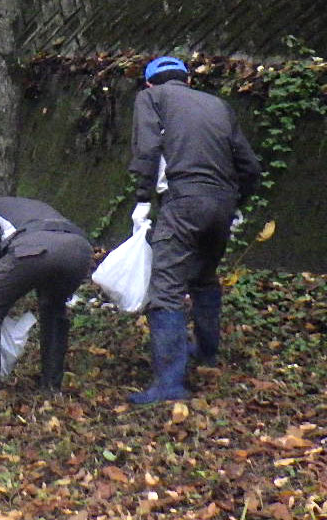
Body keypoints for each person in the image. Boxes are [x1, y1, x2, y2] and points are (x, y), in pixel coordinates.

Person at [126, 56, 261, 405]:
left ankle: (169, 386)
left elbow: (148, 149)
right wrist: (236, 204)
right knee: (203, 278)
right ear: (188, 81)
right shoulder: (218, 105)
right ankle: (206, 352)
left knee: (166, 290)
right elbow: (249, 165)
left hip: (184, 202)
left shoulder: (151, 98)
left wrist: (142, 199)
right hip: (222, 204)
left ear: (149, 83)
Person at [0, 196, 92, 414]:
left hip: (33, 247)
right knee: (54, 308)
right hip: (80, 251)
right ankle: (51, 389)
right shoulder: (35, 205)